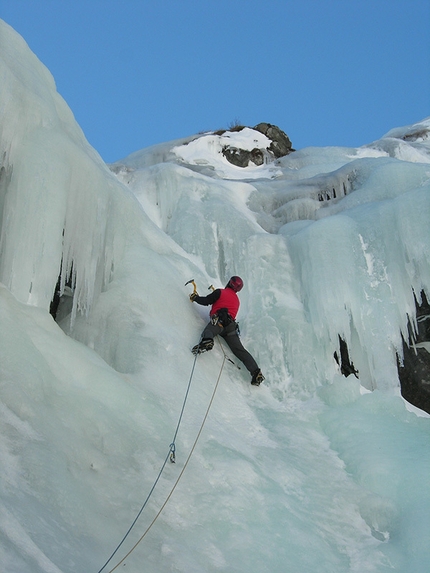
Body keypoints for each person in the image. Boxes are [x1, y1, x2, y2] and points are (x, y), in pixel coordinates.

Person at [190, 276, 265, 386]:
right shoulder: (237, 301)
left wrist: (195, 297)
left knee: (209, 330)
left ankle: (207, 341)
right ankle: (256, 372)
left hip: (218, 322)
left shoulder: (220, 292)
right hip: (230, 327)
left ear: (229, 283)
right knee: (240, 350)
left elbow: (206, 301)